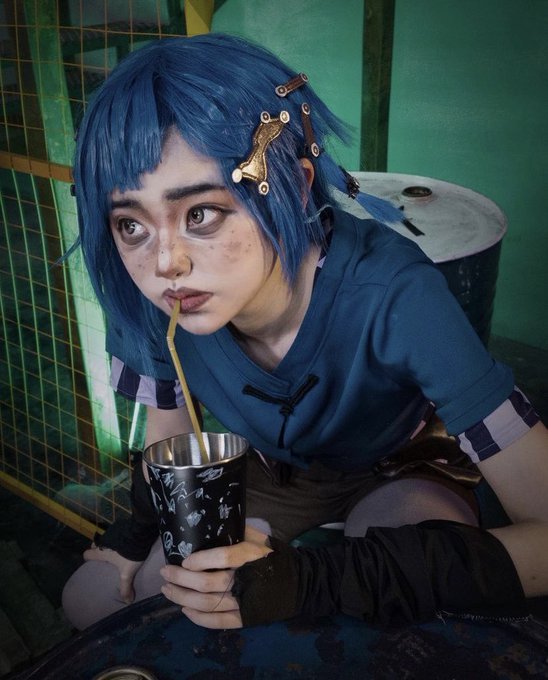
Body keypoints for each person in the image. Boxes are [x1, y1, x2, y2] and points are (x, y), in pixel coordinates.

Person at [62, 33, 548, 631]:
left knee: (403, 622)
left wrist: (313, 581)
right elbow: (175, 444)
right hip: (267, 471)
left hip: (396, 468)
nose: (166, 264)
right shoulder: (154, 299)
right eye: (131, 224)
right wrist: (140, 531)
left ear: (293, 187)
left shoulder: (397, 293)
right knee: (97, 599)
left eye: (200, 214)